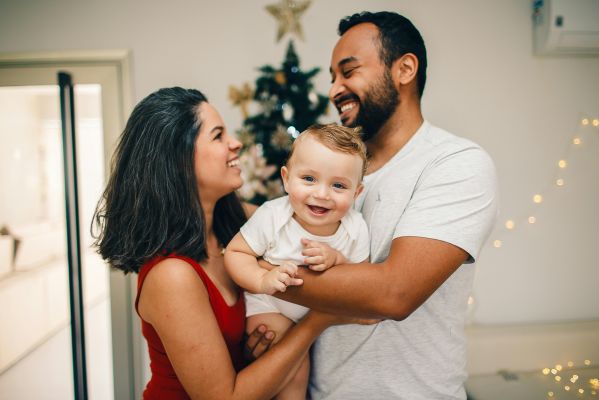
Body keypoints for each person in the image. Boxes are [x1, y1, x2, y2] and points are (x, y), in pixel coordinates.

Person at [270, 11, 499, 399]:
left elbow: (394, 294)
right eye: (332, 77)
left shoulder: (456, 163)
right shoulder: (334, 175)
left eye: (349, 71)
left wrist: (257, 271)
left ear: (405, 69)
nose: (333, 90)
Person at [92, 87, 363, 400]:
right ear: (180, 160)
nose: (236, 143)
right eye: (218, 135)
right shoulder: (172, 276)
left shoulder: (243, 223)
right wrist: (318, 321)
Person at [224, 124, 370, 399]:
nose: (322, 194)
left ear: (357, 192)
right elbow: (236, 253)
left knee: (306, 368)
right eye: (309, 179)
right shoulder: (273, 216)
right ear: (286, 178)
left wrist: (337, 259)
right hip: (270, 308)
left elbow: (362, 278)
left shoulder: (355, 228)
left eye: (338, 185)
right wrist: (262, 279)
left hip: (315, 317)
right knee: (295, 368)